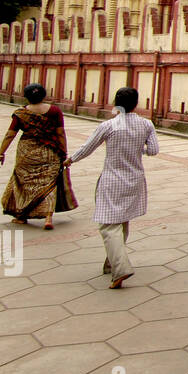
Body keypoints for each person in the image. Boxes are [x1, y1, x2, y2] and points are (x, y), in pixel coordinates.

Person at [64, 87, 158, 289]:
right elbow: (153, 150)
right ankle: (111, 262)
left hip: (112, 179)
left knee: (108, 225)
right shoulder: (146, 124)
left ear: (115, 104)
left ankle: (120, 268)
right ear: (136, 103)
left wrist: (70, 160)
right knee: (121, 222)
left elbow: (87, 148)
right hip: (134, 179)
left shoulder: (109, 125)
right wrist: (137, 147)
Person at [0, 83, 78, 229]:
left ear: (26, 97)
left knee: (24, 183)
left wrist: (1, 153)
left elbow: (10, 135)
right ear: (44, 95)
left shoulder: (20, 114)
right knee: (49, 183)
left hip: (27, 152)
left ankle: (21, 216)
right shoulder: (54, 111)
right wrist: (64, 152)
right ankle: (48, 218)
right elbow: (60, 133)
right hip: (50, 151)